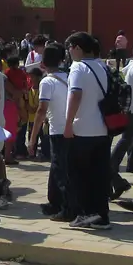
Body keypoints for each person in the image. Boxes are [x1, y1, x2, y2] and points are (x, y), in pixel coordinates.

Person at [64, 32, 112, 230]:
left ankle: (85, 213)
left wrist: (68, 124)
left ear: (76, 47)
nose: (68, 52)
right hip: (103, 127)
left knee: (79, 175)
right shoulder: (102, 66)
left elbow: (75, 94)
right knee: (99, 175)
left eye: (69, 48)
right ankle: (101, 215)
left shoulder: (78, 67)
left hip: (83, 128)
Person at [28, 43, 70, 220]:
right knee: (56, 166)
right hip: (70, 127)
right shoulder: (69, 77)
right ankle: (53, 202)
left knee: (60, 170)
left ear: (43, 62)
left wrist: (32, 139)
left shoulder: (47, 81)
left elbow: (41, 110)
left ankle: (66, 207)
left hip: (58, 129)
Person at [111, 43, 133, 199]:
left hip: (130, 107)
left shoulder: (130, 66)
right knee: (128, 139)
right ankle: (112, 164)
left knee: (129, 139)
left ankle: (119, 165)